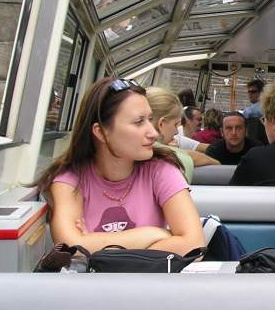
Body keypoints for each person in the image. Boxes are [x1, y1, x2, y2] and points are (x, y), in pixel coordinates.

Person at [33, 77, 204, 254]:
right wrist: (155, 234)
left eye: (150, 119)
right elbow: (69, 247)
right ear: (101, 132)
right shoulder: (70, 180)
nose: (153, 133)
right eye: (139, 122)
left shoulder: (162, 171)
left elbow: (194, 245)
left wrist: (92, 245)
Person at [145, 88, 219, 182]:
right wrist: (175, 153)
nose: (176, 132)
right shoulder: (178, 160)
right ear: (161, 124)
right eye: (175, 124)